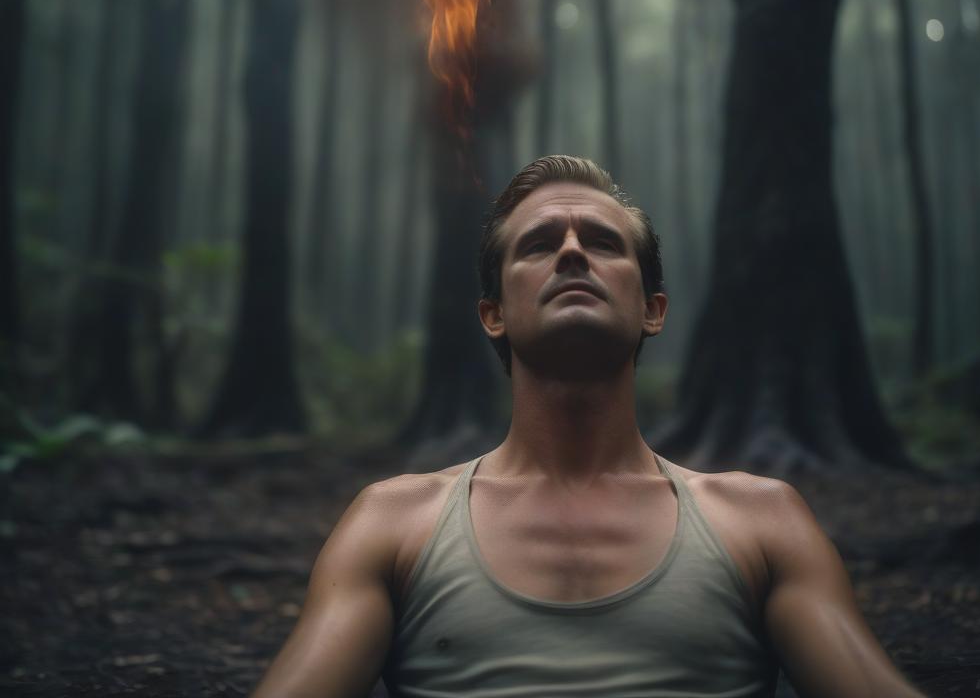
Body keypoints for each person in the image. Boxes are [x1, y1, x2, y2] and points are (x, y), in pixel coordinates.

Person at [252, 155, 924, 697]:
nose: (572, 253)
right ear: (494, 314)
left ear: (652, 308)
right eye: (539, 244)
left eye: (603, 242)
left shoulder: (761, 520)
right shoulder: (393, 523)